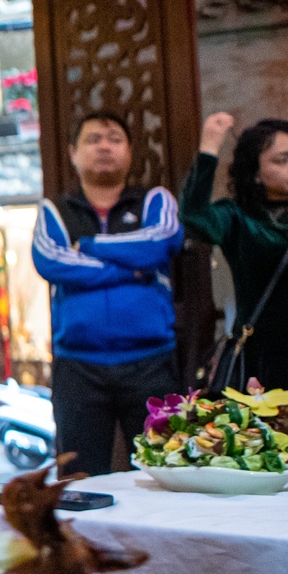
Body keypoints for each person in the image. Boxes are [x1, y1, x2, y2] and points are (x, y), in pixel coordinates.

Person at [32, 110, 184, 476]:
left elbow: (161, 243)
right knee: (78, 479)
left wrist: (88, 245)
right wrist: (131, 268)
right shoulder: (54, 210)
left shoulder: (154, 202)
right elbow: (51, 262)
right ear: (72, 152)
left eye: (114, 139)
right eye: (93, 140)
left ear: (130, 152)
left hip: (152, 362)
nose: (104, 147)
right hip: (78, 367)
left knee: (166, 470)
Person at [181, 112, 288, 415]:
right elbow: (194, 216)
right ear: (255, 173)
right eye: (282, 160)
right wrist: (209, 146)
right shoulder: (238, 216)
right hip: (261, 355)